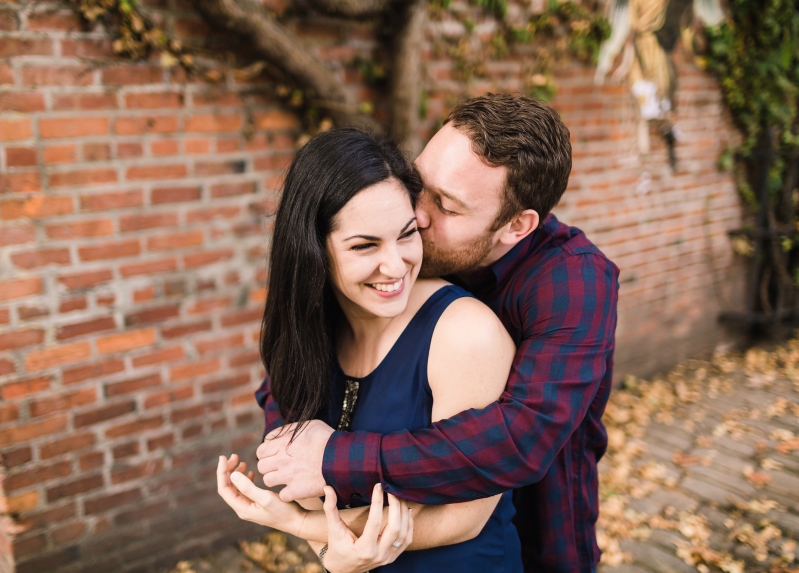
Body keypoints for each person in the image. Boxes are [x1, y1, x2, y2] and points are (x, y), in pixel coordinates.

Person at [253, 93, 621, 573]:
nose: (417, 215)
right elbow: (297, 366)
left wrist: (332, 459)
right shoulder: (401, 255)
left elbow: (516, 440)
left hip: (537, 531)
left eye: (445, 205)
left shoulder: (573, 283)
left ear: (516, 226)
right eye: (420, 183)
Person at [217, 127, 524, 573]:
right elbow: (303, 489)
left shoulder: (465, 334)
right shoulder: (303, 335)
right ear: (314, 251)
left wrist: (296, 525)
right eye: (365, 245)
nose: (396, 265)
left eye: (405, 234)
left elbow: (464, 517)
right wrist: (334, 555)